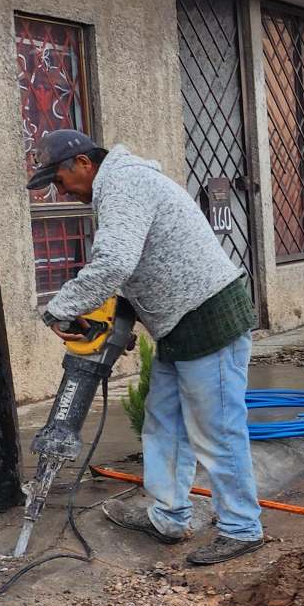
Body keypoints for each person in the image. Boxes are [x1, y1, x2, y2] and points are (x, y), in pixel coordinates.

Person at [30, 130, 263, 566]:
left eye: (60, 181)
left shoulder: (124, 183)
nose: (61, 192)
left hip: (209, 319)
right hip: (178, 324)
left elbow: (115, 262)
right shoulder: (119, 185)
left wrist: (60, 308)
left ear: (84, 163)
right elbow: (142, 262)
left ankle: (242, 527)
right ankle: (169, 517)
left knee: (217, 431)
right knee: (164, 424)